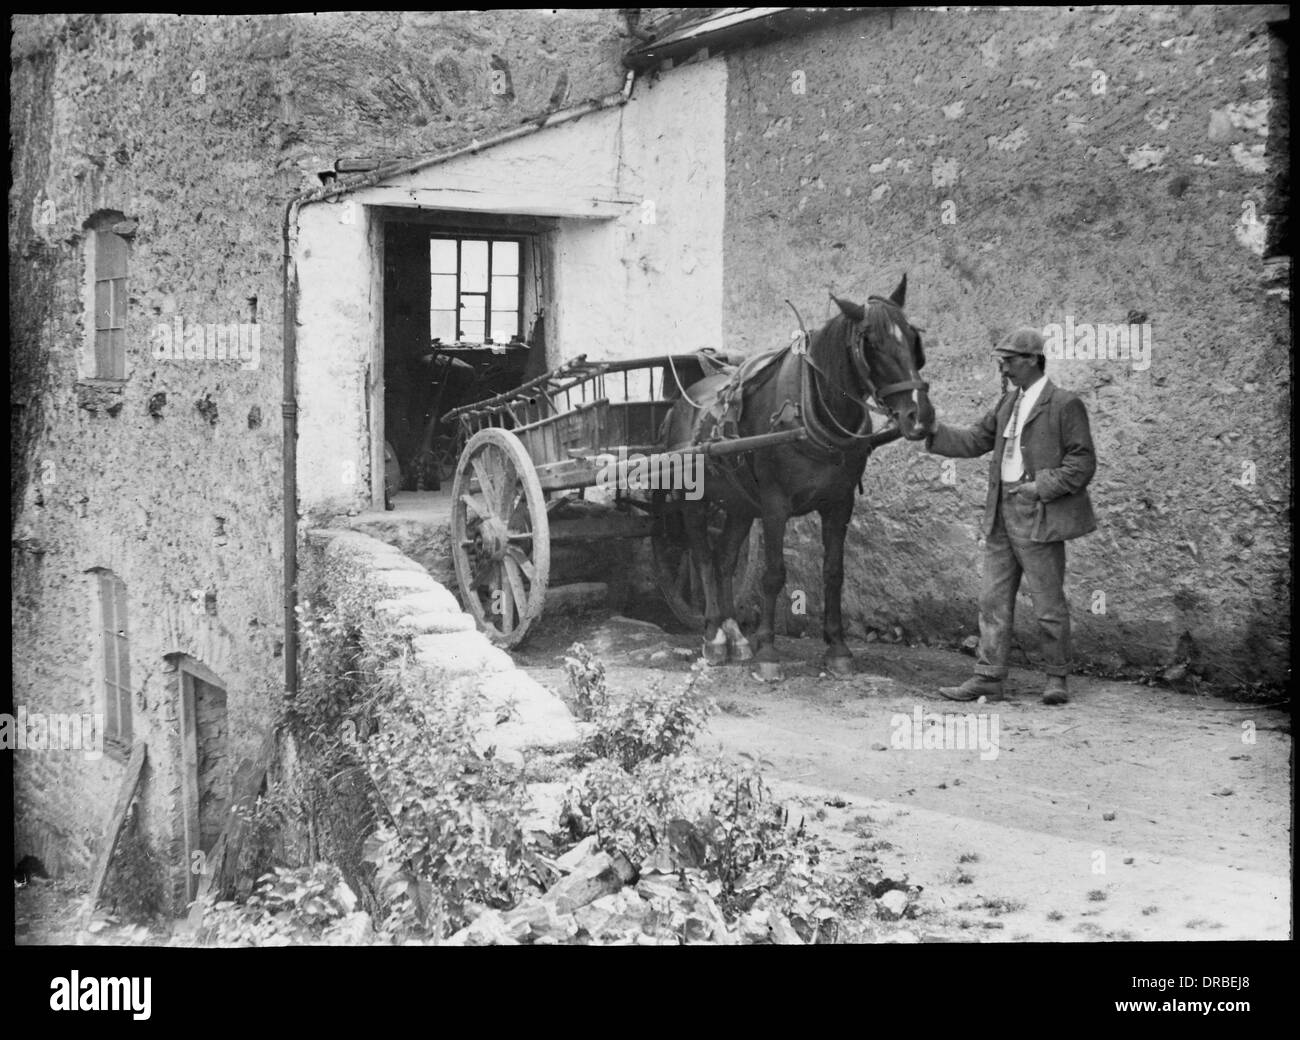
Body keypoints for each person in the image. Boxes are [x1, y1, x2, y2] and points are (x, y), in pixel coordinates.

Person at [922, 327, 1097, 705]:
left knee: (1048, 603)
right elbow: (973, 440)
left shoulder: (1065, 404)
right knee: (992, 600)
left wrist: (1041, 487)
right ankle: (988, 678)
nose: (1004, 369)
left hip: (1038, 513)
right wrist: (931, 430)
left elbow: (1082, 462)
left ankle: (1056, 679)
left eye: (1010, 361)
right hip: (1000, 513)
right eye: (1002, 362)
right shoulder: (1006, 405)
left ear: (1033, 360)